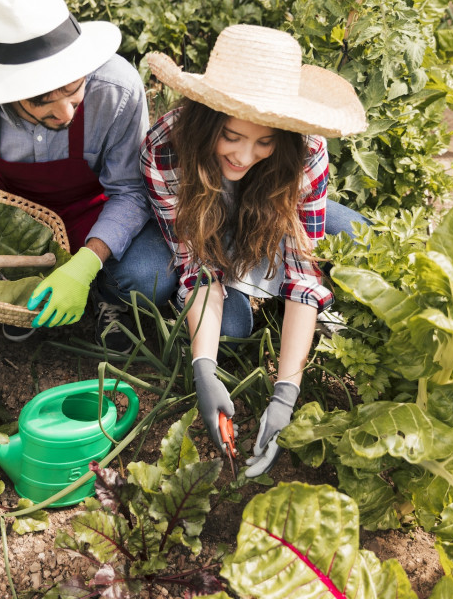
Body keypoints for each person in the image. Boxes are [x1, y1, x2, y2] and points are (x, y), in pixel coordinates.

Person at [139, 25, 368, 477]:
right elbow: (197, 265)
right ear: (206, 121)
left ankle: (284, 311)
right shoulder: (166, 145)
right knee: (232, 329)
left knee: (358, 236)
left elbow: (303, 273)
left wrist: (286, 392)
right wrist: (203, 366)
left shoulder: (306, 151)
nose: (244, 156)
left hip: (267, 219)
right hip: (204, 222)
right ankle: (245, 297)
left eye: (265, 142)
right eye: (231, 137)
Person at [0, 0, 176, 351]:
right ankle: (16, 295)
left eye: (73, 89)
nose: (65, 112)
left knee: (152, 277)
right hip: (12, 217)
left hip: (96, 209)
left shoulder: (117, 89)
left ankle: (107, 295)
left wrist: (85, 266)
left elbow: (130, 192)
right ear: (6, 89)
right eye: (41, 101)